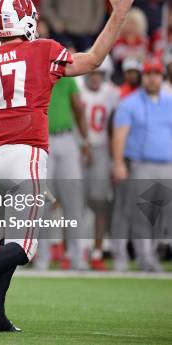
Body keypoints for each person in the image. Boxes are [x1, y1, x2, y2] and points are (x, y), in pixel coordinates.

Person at [0, 0, 136, 335]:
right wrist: (119, 14)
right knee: (26, 244)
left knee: (7, 237)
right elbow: (94, 59)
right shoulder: (43, 50)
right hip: (26, 152)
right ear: (25, 21)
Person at [111, 59, 172, 272]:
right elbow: (119, 136)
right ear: (142, 77)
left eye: (156, 74)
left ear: (162, 77)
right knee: (141, 214)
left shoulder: (169, 101)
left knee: (161, 215)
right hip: (140, 164)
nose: (153, 78)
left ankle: (151, 256)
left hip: (167, 164)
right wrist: (118, 163)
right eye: (148, 74)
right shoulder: (129, 103)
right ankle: (143, 257)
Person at [34, 73, 90, 271]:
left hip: (66, 139)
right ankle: (42, 258)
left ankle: (77, 257)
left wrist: (85, 141)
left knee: (73, 202)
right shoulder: (35, 76)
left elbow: (78, 109)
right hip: (41, 141)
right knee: (42, 203)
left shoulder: (67, 78)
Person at [77, 56, 119, 271]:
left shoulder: (112, 94)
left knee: (100, 203)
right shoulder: (78, 90)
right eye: (92, 73)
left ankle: (97, 251)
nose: (95, 77)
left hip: (101, 151)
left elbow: (114, 126)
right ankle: (76, 251)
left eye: (99, 74)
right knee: (75, 203)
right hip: (78, 149)